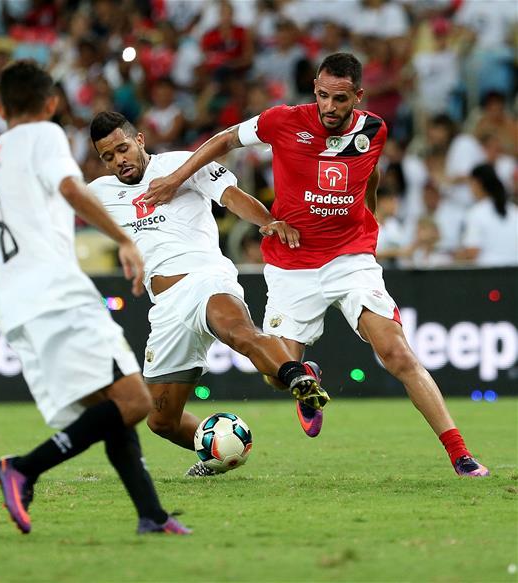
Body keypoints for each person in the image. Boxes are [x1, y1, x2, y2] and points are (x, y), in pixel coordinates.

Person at [144, 53, 489, 478]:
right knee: (277, 375)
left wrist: (372, 220)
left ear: (358, 97)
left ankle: (460, 454)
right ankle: (306, 375)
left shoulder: (374, 129)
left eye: (340, 99)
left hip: (350, 258)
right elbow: (223, 140)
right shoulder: (282, 121)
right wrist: (176, 179)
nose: (329, 106)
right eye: (323, 95)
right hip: (291, 267)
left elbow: (370, 175)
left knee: (396, 353)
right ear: (314, 89)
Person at [0, 60, 190, 535]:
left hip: (16, 309)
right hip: (57, 295)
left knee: (107, 407)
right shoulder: (47, 137)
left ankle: (151, 514)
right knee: (132, 402)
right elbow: (70, 189)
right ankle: (23, 468)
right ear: (50, 105)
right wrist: (124, 239)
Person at [86, 111, 330, 477]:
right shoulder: (99, 193)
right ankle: (217, 449)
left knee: (240, 334)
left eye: (122, 149)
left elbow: (230, 196)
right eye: (108, 156)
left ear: (139, 141)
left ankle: (298, 376)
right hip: (165, 306)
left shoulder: (182, 164)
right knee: (161, 421)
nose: (119, 160)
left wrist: (267, 222)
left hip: (206, 279)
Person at [455, 164, 518, 267]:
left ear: (477, 183)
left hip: (489, 275)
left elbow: (472, 252)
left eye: (470, 183)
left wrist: (454, 257)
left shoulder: (476, 213)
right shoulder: (514, 211)